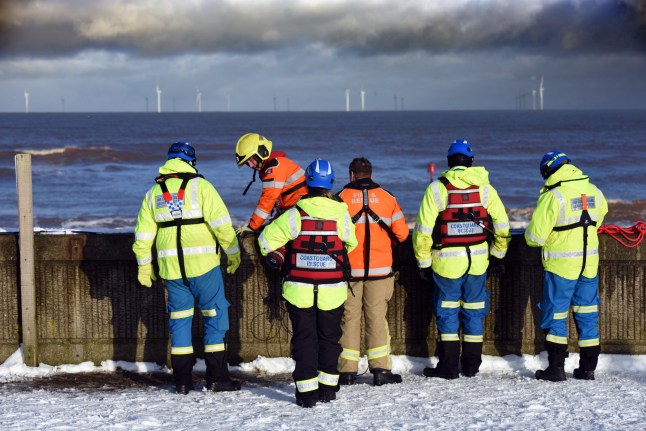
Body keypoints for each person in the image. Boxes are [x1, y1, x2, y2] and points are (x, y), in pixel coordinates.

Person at [133, 142, 242, 395]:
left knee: (179, 321)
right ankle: (217, 379)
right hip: (204, 266)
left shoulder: (153, 193)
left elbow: (142, 237)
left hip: (171, 269)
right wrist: (234, 253)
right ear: (191, 162)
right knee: (215, 317)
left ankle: (182, 382)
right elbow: (222, 226)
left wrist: (143, 267)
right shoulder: (201, 187)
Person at [257, 158, 357, 408]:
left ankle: (306, 393)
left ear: (307, 183)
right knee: (330, 337)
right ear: (331, 183)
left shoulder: (295, 213)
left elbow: (266, 242)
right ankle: (328, 388)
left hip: (298, 289)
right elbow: (351, 244)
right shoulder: (341, 214)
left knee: (304, 339)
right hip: (333, 290)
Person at [412, 139, 510, 379]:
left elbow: (422, 231)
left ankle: (447, 367)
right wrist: (497, 254)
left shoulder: (437, 188)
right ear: (471, 161)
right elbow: (502, 225)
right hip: (478, 261)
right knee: (474, 311)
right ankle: (471, 365)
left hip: (446, 263)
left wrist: (423, 262)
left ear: (449, 162)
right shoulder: (485, 188)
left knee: (447, 312)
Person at [525, 151, 608, 381]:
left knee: (556, 315)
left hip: (561, 265)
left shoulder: (554, 195)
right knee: (588, 314)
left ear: (547, 171)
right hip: (589, 263)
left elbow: (534, 236)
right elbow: (600, 217)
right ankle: (587, 369)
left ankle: (556, 369)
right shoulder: (594, 190)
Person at [336, 157, 409, 386]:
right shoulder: (388, 198)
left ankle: (347, 371)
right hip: (380, 271)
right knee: (376, 319)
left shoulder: (340, 199)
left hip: (350, 272)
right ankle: (380, 371)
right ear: (370, 173)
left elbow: (334, 234)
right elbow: (403, 234)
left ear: (351, 174)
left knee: (349, 319)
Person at [234, 133, 307, 234]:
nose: (250, 165)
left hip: (299, 211)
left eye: (251, 160)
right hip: (295, 210)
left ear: (262, 151)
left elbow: (268, 200)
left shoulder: (274, 168)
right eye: (247, 163)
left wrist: (251, 227)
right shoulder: (275, 165)